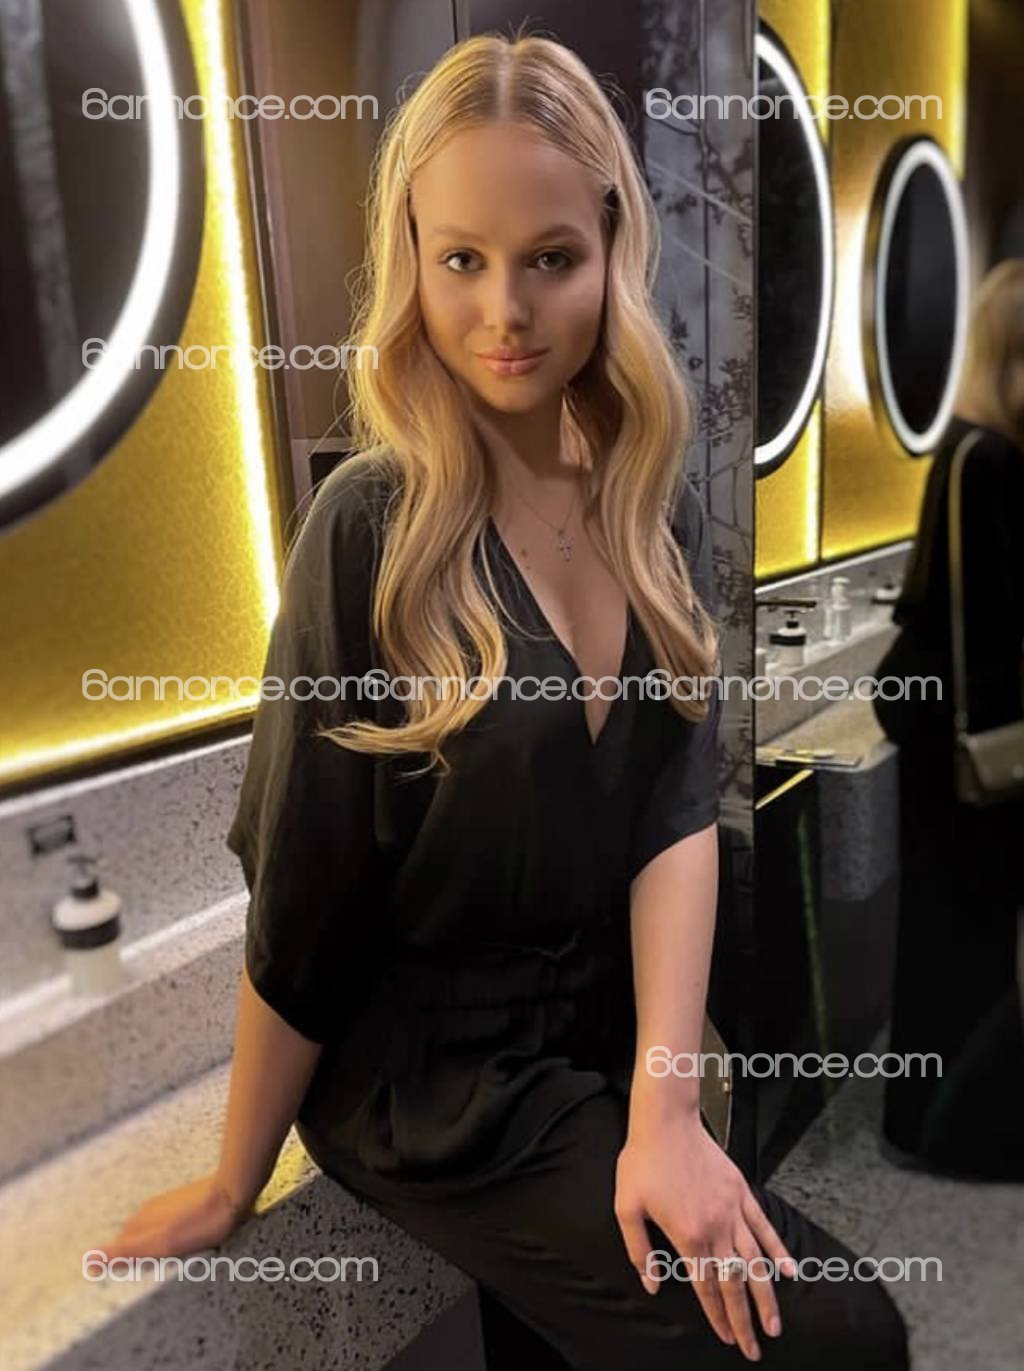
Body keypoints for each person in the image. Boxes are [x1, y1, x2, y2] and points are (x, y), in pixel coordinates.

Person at [97, 33, 909, 1368]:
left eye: (550, 258)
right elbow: (303, 898)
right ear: (412, 258)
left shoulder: (647, 498)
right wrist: (234, 1177)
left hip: (593, 1036)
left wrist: (667, 1104)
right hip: (438, 1081)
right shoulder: (369, 526)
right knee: (841, 1337)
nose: (505, 312)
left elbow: (671, 813)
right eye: (461, 259)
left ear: (613, 247)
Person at [873, 259, 1024, 1181]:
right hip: (966, 731)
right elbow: (983, 624)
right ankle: (955, 1130)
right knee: (962, 933)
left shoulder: (975, 448)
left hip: (950, 723)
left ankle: (939, 1120)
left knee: (954, 929)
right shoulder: (986, 458)